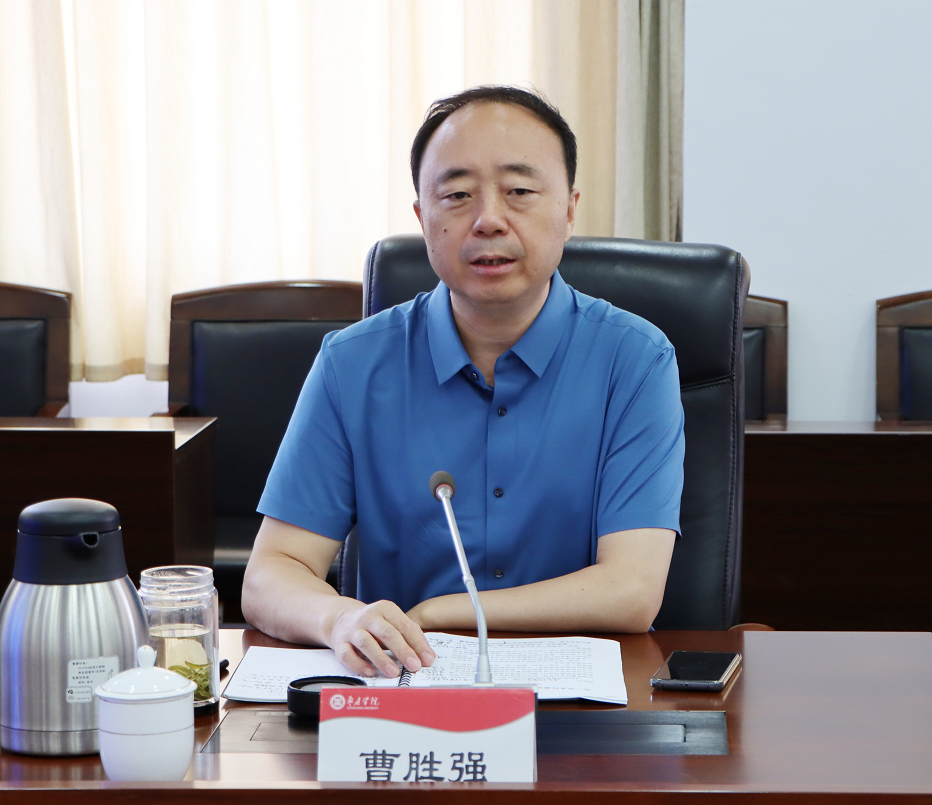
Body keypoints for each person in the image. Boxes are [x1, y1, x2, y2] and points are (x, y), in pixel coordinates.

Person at [242, 86, 684, 680]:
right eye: (456, 195)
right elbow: (271, 573)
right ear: (422, 218)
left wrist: (436, 613)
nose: (489, 220)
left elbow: (631, 591)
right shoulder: (353, 364)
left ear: (570, 209)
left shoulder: (635, 359)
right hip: (406, 694)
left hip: (583, 700)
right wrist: (340, 619)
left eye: (519, 191)